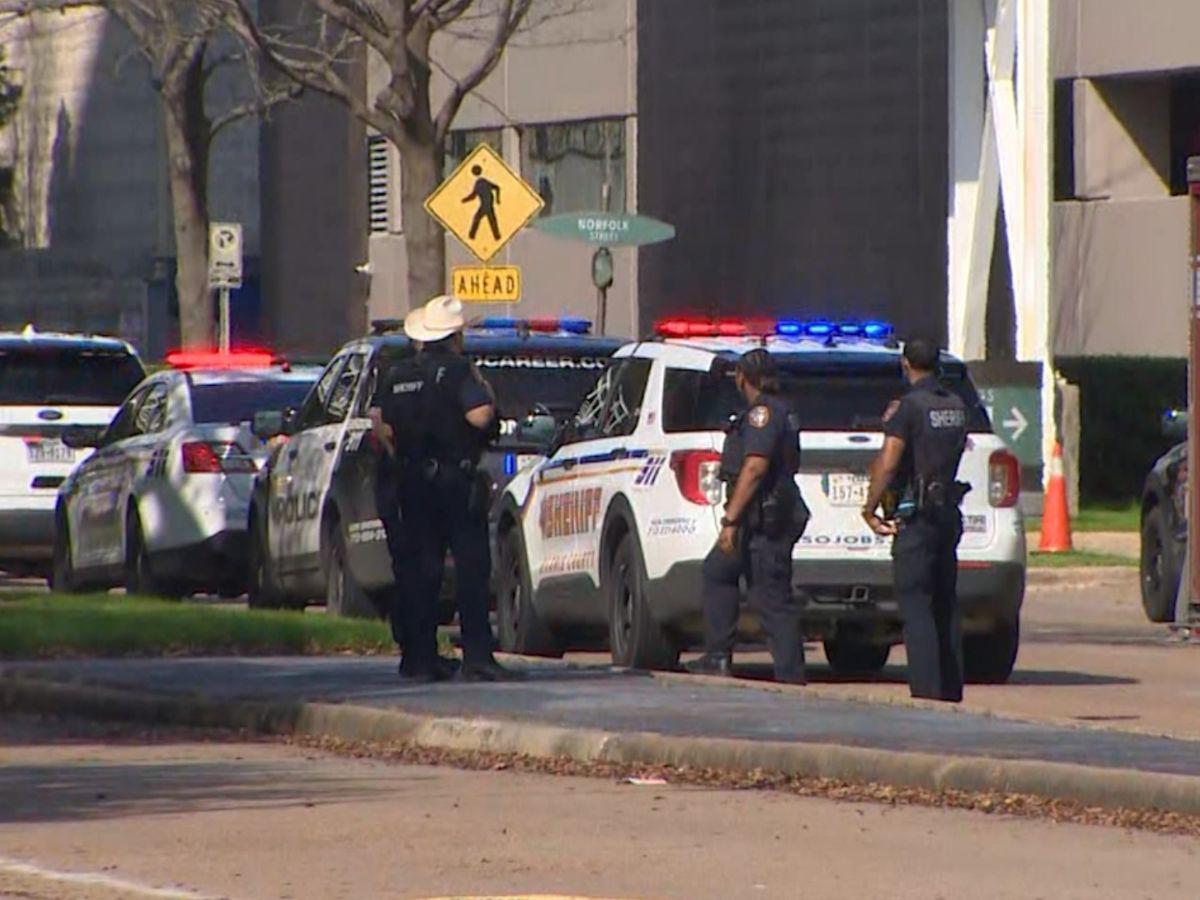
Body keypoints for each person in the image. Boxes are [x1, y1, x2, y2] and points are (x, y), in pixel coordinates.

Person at [378, 295, 518, 682]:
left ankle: (420, 656)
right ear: (455, 335)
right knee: (471, 568)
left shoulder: (398, 374)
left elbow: (382, 426)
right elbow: (480, 415)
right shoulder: (459, 371)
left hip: (412, 483)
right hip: (454, 483)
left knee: (423, 572)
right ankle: (477, 655)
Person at [685, 349, 809, 684]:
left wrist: (731, 521)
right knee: (718, 570)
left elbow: (754, 468)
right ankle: (718, 656)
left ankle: (791, 679)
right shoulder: (774, 409)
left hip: (764, 519)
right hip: (758, 517)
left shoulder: (763, 414)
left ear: (743, 377)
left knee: (771, 598)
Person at [861, 337, 969, 702]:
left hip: (916, 518)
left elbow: (890, 461)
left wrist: (869, 507)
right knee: (945, 604)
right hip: (947, 515)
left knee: (916, 606)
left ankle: (926, 695)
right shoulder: (956, 404)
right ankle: (952, 691)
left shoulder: (908, 408)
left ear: (906, 364)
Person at [369, 347, 460, 682]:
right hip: (418, 480)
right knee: (425, 572)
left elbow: (380, 423)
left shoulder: (392, 378)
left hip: (394, 482)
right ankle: (421, 656)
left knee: (406, 569)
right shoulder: (425, 378)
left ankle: (414, 654)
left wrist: (394, 454)